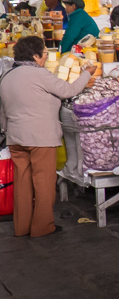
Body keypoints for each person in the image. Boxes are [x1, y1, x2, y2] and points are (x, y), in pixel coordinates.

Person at [0, 36, 96, 237]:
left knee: (22, 184)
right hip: (41, 138)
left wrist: (10, 131)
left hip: (16, 138)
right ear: (35, 56)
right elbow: (69, 90)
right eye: (44, 53)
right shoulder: (39, 74)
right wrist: (87, 73)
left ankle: (22, 227)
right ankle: (42, 227)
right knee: (43, 183)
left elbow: (2, 113)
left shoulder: (6, 76)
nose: (45, 57)